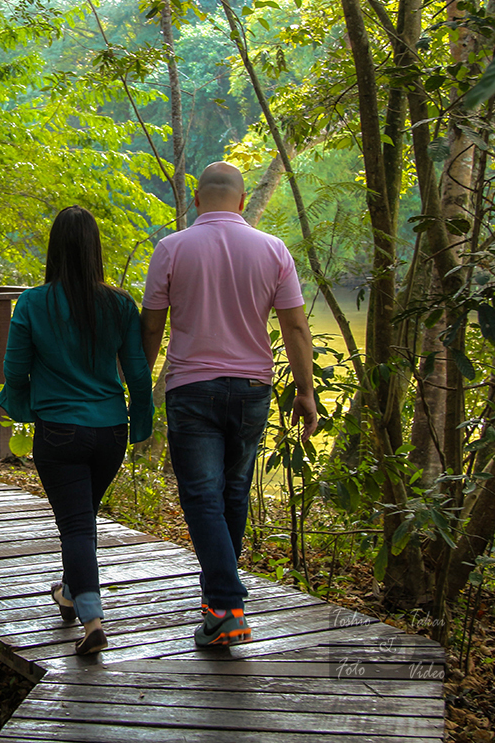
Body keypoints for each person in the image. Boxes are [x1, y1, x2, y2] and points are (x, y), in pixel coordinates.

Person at [140, 161, 318, 647]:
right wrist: (305, 391)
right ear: (242, 202)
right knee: (233, 492)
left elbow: (152, 327)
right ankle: (221, 601)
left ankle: (225, 604)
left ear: (197, 201)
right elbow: (295, 327)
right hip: (252, 389)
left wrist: (135, 386)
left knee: (201, 496)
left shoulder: (171, 248)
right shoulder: (272, 249)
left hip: (191, 388)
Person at [0, 205, 153, 656]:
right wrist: (140, 421)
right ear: (95, 249)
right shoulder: (121, 303)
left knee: (77, 526)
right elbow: (138, 372)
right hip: (110, 433)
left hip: (60, 432)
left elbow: (15, 371)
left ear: (54, 249)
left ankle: (92, 618)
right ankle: (68, 592)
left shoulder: (32, 303)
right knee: (81, 519)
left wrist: (25, 409)